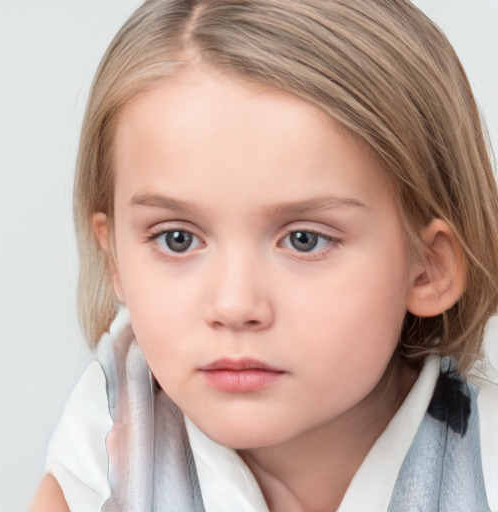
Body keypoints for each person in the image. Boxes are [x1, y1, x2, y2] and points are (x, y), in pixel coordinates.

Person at [29, 0, 498, 510]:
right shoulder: (109, 447)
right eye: (177, 239)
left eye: (305, 240)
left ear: (428, 267)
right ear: (115, 258)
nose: (234, 305)